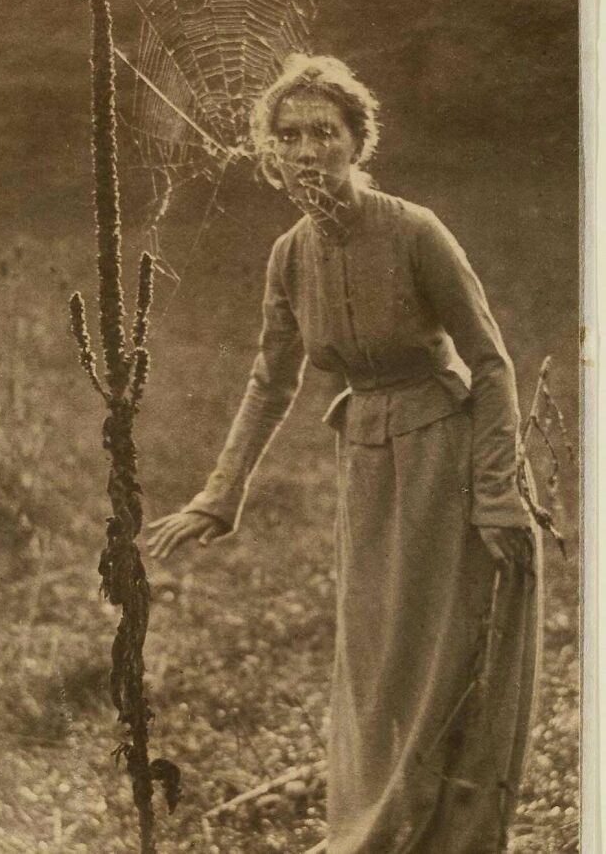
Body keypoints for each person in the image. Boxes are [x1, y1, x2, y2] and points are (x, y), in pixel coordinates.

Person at [147, 54, 542, 854]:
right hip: (366, 459)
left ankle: (446, 833)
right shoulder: (290, 254)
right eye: (287, 136)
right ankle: (377, 828)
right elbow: (270, 377)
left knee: (437, 647)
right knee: (373, 662)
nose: (305, 151)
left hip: (448, 454)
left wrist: (498, 489)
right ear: (270, 151)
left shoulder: (414, 229)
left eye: (323, 132)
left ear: (356, 141)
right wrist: (217, 497)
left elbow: (490, 360)